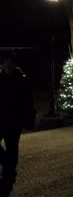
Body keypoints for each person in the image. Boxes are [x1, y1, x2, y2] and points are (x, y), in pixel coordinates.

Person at [0, 54, 33, 183]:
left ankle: (9, 171)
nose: (8, 64)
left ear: (14, 65)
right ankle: (6, 163)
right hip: (1, 118)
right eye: (5, 61)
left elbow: (28, 102)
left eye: (10, 62)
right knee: (9, 150)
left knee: (12, 147)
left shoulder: (23, 80)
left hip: (14, 120)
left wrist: (27, 119)